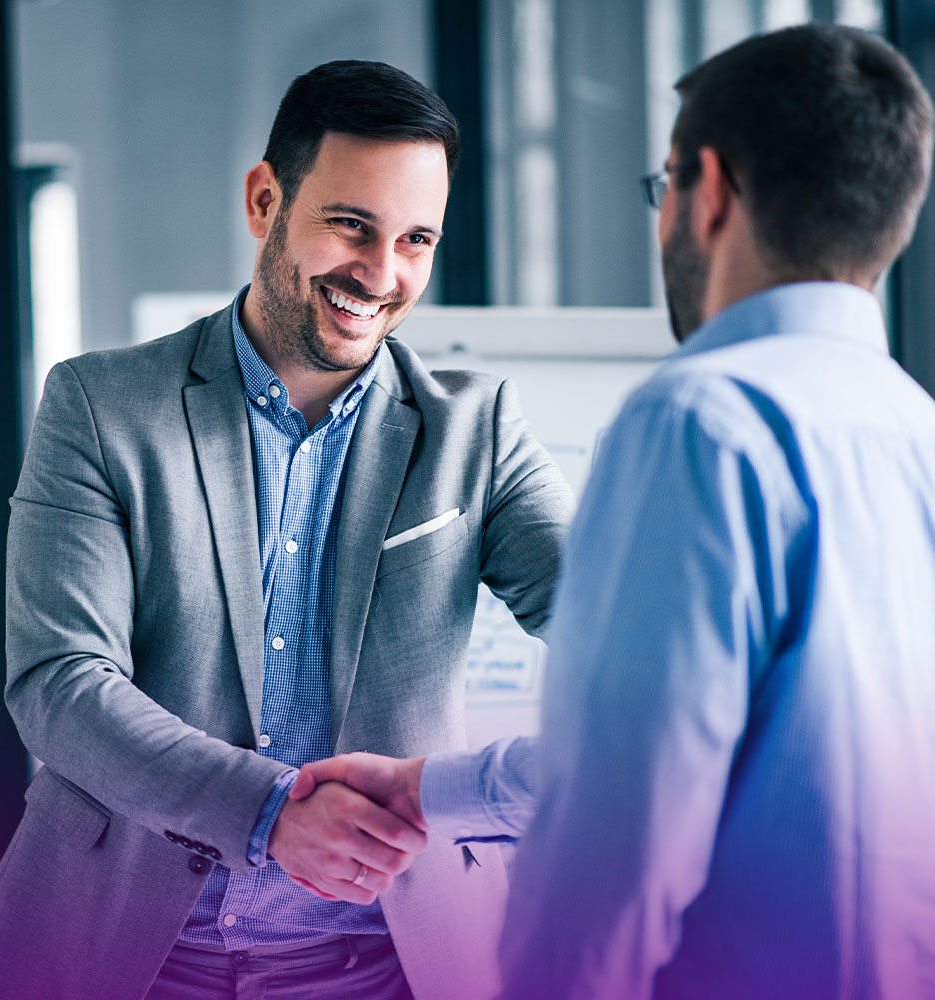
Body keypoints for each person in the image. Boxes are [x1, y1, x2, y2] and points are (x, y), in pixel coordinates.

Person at [294, 23, 935, 1000]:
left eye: (663, 185)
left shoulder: (700, 417)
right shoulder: (913, 429)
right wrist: (429, 788)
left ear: (708, 189)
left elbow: (619, 829)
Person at [0, 60, 574, 1000]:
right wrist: (270, 811)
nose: (382, 273)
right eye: (350, 225)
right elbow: (59, 683)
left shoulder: (474, 433)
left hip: (393, 967)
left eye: (415, 239)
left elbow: (626, 637)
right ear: (264, 200)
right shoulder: (100, 406)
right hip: (121, 955)